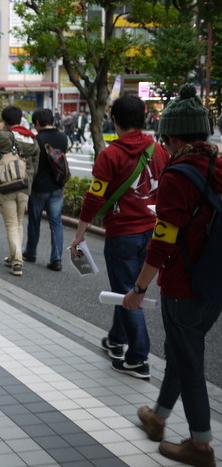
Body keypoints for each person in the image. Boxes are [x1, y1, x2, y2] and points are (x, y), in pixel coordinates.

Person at [123, 84, 222, 467]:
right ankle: (159, 418)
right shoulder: (217, 167)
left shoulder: (178, 175)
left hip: (183, 285)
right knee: (183, 353)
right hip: (214, 283)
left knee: (191, 365)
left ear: (172, 136)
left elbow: (162, 242)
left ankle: (200, 448)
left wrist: (138, 288)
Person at [69, 95, 169, 379]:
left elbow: (93, 197)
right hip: (152, 230)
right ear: (144, 117)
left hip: (123, 233)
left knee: (129, 291)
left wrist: (80, 233)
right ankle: (116, 339)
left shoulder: (110, 155)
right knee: (126, 288)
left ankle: (138, 358)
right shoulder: (160, 150)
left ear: (114, 120)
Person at [0, 105, 40, 277]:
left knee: (11, 224)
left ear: (5, 121)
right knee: (19, 222)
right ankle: (16, 255)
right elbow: (36, 162)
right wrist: (28, 179)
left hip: (7, 185)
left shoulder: (5, 136)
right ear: (21, 119)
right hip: (24, 185)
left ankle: (17, 262)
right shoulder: (31, 138)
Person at [23, 109, 69, 271]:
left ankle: (31, 252)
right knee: (56, 223)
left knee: (34, 221)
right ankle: (56, 259)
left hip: (39, 187)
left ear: (37, 123)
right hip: (57, 186)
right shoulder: (63, 137)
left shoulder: (36, 139)